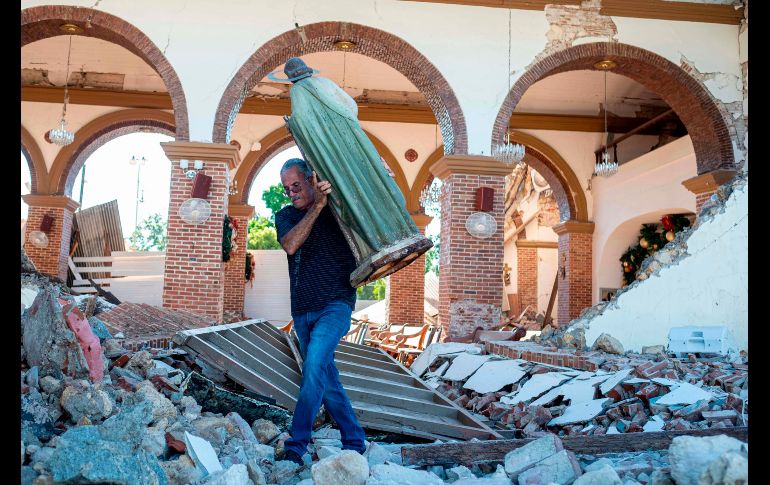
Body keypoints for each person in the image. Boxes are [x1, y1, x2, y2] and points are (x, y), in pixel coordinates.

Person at [274, 157, 367, 466]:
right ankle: (354, 440)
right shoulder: (286, 216)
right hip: (302, 311)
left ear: (311, 180)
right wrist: (316, 206)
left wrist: (328, 199)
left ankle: (296, 444)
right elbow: (291, 245)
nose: (292, 193)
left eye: (297, 186)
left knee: (314, 363)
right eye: (287, 189)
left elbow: (366, 210)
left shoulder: (338, 211)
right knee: (326, 377)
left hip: (336, 304)